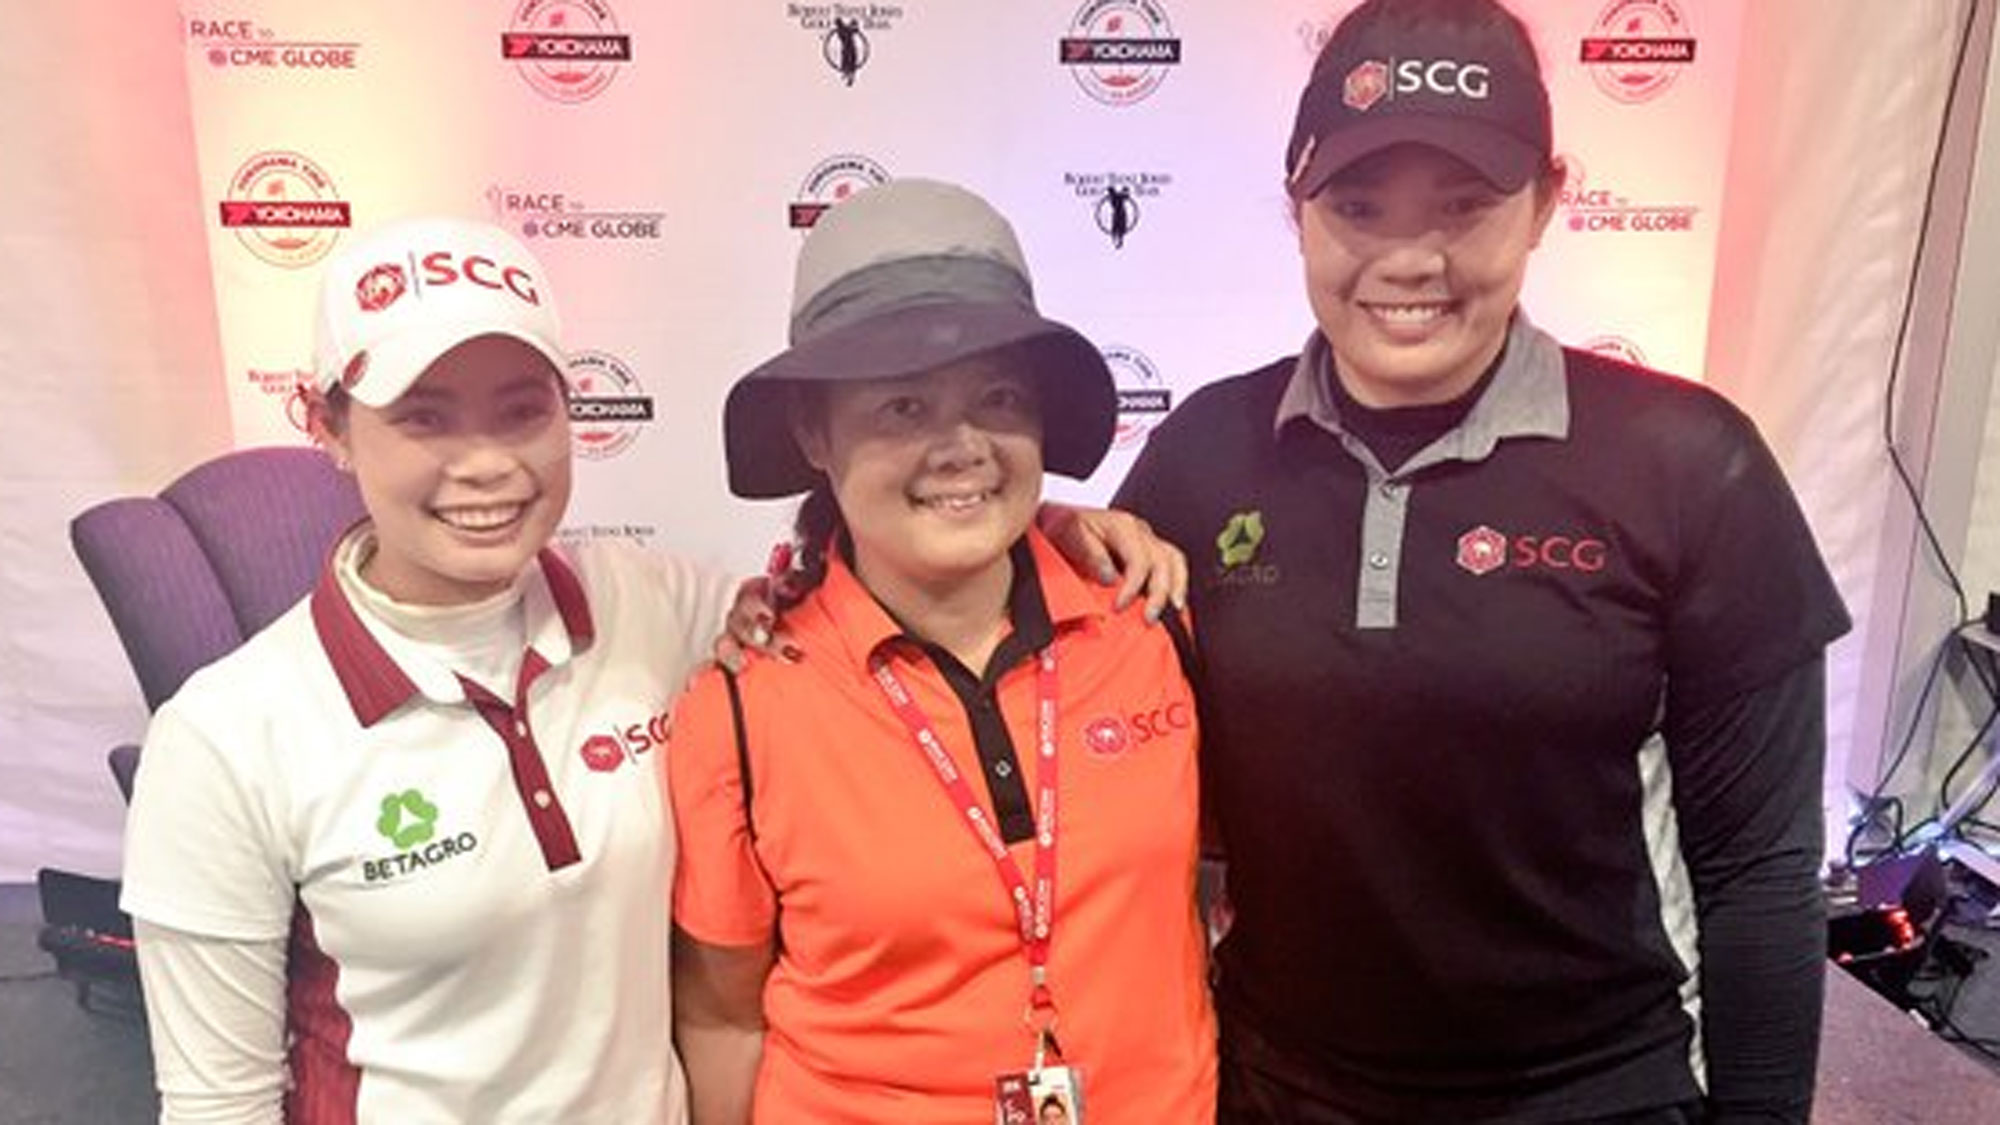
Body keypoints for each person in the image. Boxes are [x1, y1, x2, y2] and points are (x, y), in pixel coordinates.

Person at [118, 215, 1178, 1124]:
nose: (485, 463)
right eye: (423, 418)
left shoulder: (660, 609)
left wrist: (1046, 524)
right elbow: (216, 1104)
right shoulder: (225, 737)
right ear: (331, 429)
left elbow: (885, 562)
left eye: (522, 409)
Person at [1111, 1, 1852, 1122]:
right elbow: (1065, 700)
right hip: (1279, 1089)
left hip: (1593, 1096)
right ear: (1297, 210)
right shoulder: (1202, 454)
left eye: (1463, 206)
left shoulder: (1690, 463)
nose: (1409, 260)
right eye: (1357, 207)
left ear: (1545, 203)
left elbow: (1759, 873)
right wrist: (1017, 528)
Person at [668, 178, 1218, 1124]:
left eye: (997, 397)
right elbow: (722, 1014)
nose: (961, 446)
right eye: (902, 407)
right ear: (812, 432)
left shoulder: (1151, 621)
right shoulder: (743, 704)